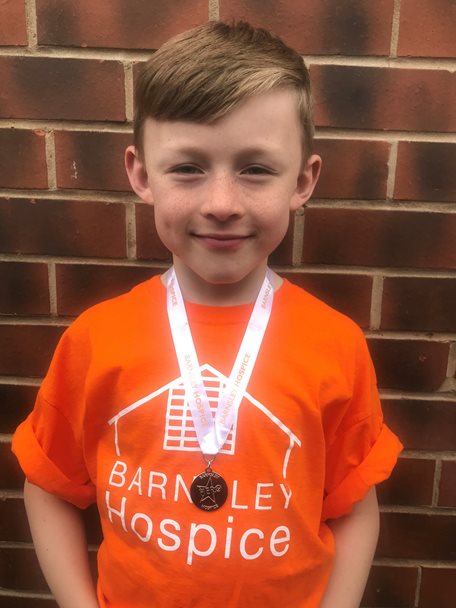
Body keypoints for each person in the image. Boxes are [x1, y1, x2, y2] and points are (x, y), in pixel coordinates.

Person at [12, 20, 402, 608]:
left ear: (303, 180)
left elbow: (353, 505)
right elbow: (48, 485)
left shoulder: (337, 343)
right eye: (188, 168)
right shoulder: (97, 337)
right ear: (141, 175)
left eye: (256, 169)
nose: (221, 204)